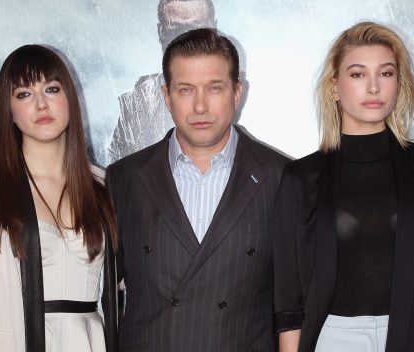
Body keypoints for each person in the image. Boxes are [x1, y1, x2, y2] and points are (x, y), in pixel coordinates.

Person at [272, 22, 414, 352]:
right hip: (331, 340)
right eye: (357, 74)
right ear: (334, 87)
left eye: (386, 73)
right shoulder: (300, 178)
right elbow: (289, 308)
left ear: (398, 84)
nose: (373, 87)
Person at [106, 28, 289, 351]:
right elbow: (101, 291)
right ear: (166, 96)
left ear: (237, 92)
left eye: (214, 88)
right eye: (186, 90)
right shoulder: (125, 179)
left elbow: (295, 304)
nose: (200, 106)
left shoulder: (282, 176)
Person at [0, 45, 119, 352]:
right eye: (24, 94)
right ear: (10, 111)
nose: (42, 104)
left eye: (52, 89)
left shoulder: (104, 186)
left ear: (69, 98)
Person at [108, 0, 217, 162]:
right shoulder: (135, 106)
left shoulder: (235, 96)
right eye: (177, 30)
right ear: (161, 33)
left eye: (197, 29)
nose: (188, 40)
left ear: (214, 30)